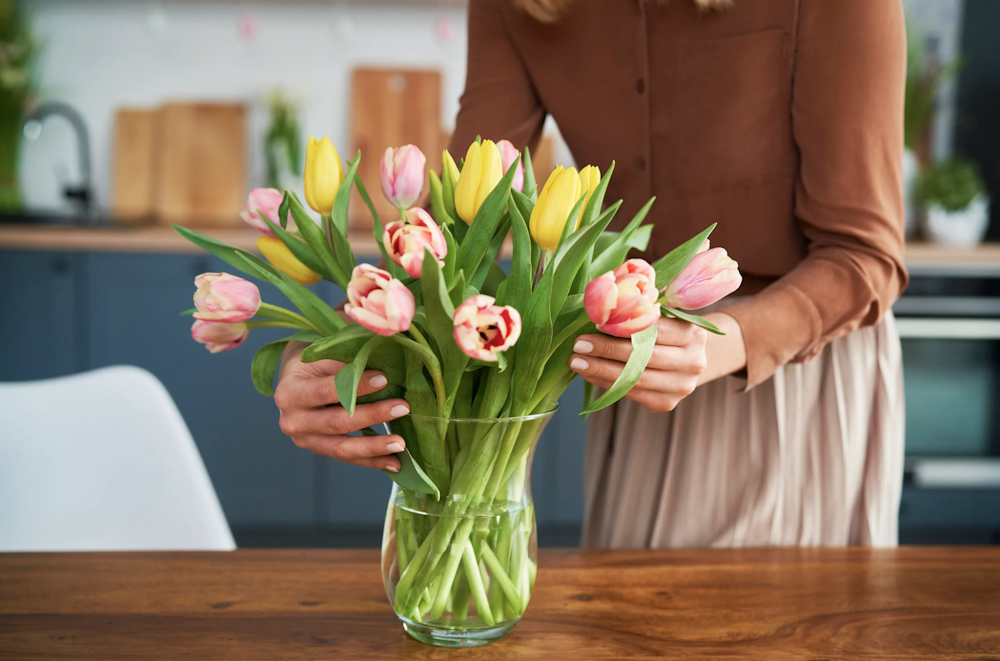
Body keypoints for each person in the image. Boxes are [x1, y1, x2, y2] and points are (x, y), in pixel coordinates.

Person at [275, 0, 907, 548]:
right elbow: (452, 234)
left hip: (794, 379)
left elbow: (865, 256)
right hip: (631, 377)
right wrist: (333, 348)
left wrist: (723, 343)